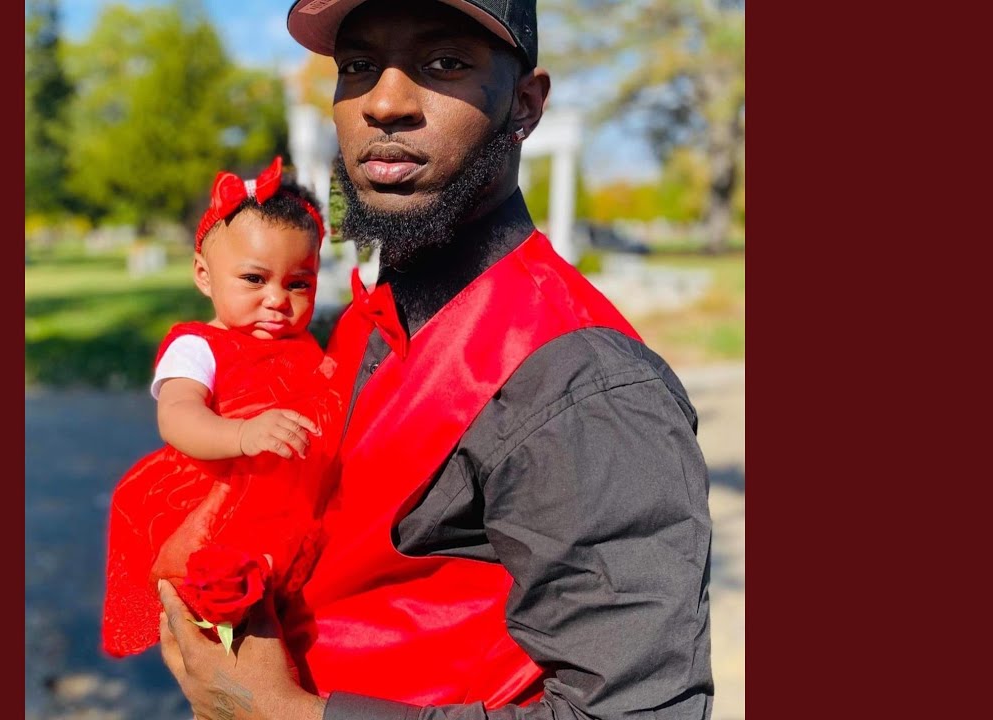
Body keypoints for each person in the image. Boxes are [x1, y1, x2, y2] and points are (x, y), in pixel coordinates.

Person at [157, 2, 714, 718]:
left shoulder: (584, 386)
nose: (384, 103)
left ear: (524, 104)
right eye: (358, 66)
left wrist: (285, 711)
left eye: (444, 63)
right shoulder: (371, 316)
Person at [100, 157, 344, 658]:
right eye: (255, 279)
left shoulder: (304, 348)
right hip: (220, 507)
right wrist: (240, 434)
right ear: (204, 275)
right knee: (229, 626)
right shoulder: (199, 347)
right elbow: (177, 415)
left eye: (298, 283)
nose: (278, 299)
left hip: (293, 504)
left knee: (299, 623)